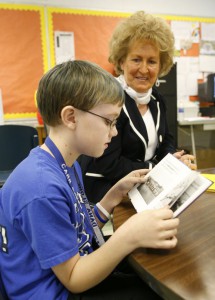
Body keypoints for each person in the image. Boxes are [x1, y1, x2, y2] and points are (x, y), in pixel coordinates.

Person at [0, 60, 179, 300]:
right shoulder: (41, 187)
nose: (114, 132)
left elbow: (77, 230)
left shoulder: (64, 162)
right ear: (71, 117)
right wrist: (128, 236)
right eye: (109, 121)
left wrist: (110, 198)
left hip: (71, 273)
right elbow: (74, 279)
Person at [79, 11, 196, 204]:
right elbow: (109, 164)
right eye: (136, 59)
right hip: (107, 196)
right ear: (122, 61)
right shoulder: (108, 101)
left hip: (146, 191)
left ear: (161, 66)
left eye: (152, 61)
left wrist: (172, 160)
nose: (143, 69)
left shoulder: (157, 99)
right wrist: (157, 168)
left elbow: (166, 139)